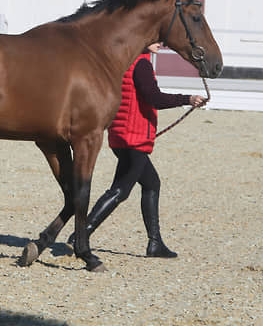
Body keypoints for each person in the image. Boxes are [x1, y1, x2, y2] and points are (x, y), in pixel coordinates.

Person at [69, 42, 207, 258]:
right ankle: (81, 234)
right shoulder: (141, 64)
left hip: (120, 134)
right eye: (155, 38)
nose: (160, 42)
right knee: (119, 191)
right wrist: (187, 99)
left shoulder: (121, 62)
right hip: (134, 136)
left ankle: (155, 243)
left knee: (152, 183)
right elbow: (155, 98)